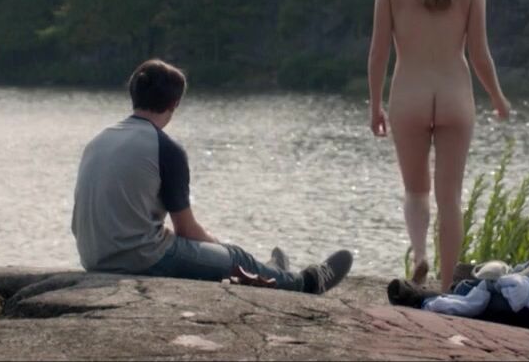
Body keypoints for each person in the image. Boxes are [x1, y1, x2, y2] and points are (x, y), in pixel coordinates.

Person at [72, 59, 353, 294]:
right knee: (235, 257)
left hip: (92, 256)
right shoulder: (165, 148)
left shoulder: (99, 140)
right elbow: (186, 230)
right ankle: (306, 283)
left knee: (212, 254)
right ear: (175, 103)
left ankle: (272, 272)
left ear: (133, 95)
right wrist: (221, 250)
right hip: (139, 259)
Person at [367, 0, 511, 292]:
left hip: (409, 98)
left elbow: (379, 52)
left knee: (416, 190)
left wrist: (375, 105)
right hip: (454, 98)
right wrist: (497, 97)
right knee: (450, 199)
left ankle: (420, 256)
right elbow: (479, 54)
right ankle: (447, 288)